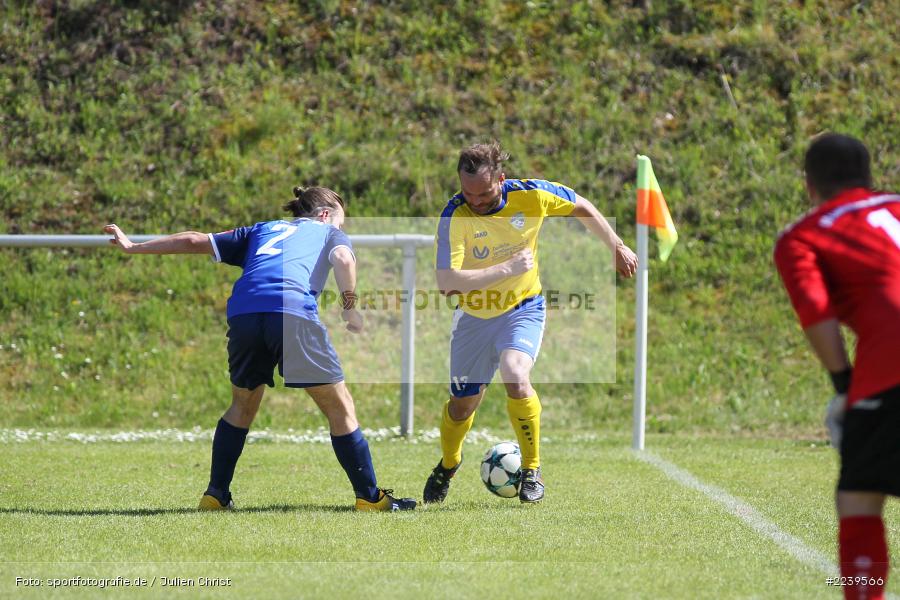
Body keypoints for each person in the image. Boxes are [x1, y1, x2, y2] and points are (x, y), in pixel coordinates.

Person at [104, 186, 416, 512]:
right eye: (341, 223)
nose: (341, 230)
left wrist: (133, 246)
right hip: (292, 311)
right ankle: (370, 498)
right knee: (341, 408)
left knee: (242, 405)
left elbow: (196, 240)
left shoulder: (261, 229)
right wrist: (349, 306)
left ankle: (215, 495)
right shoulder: (327, 232)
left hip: (244, 313)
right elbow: (341, 258)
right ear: (325, 215)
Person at [424, 141, 638, 504]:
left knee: (515, 373)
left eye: (484, 193)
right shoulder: (455, 214)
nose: (475, 200)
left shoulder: (532, 195)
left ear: (502, 179)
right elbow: (447, 284)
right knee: (462, 405)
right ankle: (448, 463)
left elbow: (581, 206)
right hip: (473, 319)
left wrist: (616, 245)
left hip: (522, 308)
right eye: (467, 192)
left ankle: (531, 470)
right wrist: (505, 269)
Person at [774, 133, 900, 599]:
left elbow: (816, 312)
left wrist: (845, 385)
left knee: (861, 497)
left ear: (809, 185)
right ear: (870, 177)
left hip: (891, 372)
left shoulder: (805, 235)